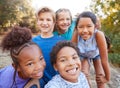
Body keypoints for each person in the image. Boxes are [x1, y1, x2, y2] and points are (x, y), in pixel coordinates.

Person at [72, 11, 110, 88]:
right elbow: (73, 54)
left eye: (89, 26)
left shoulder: (99, 35)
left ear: (95, 26)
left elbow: (104, 60)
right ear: (76, 28)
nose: (85, 30)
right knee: (83, 74)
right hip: (83, 55)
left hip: (96, 55)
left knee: (100, 75)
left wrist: (107, 78)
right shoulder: (76, 35)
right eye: (81, 27)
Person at [32, 7, 65, 88]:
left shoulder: (61, 41)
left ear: (54, 22)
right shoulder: (32, 42)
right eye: (41, 19)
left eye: (48, 20)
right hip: (39, 81)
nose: (44, 22)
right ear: (37, 22)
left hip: (57, 81)